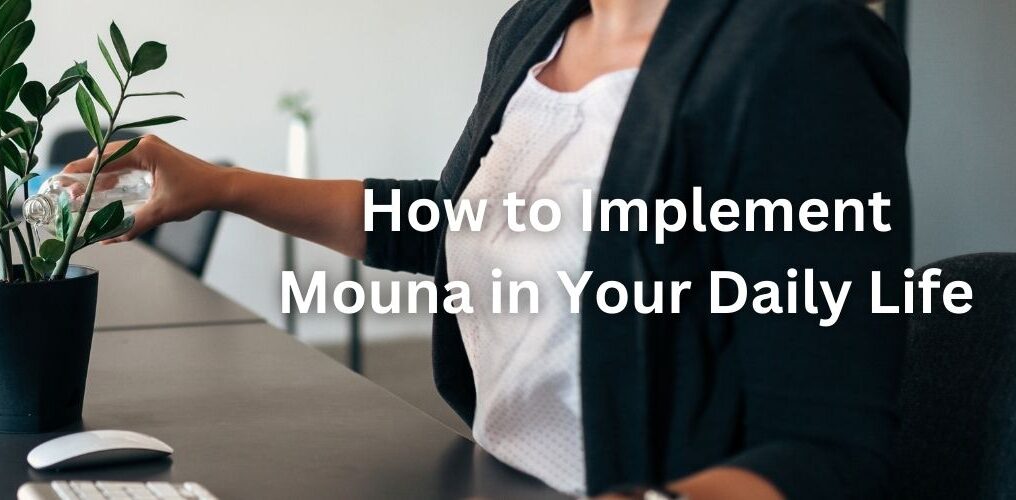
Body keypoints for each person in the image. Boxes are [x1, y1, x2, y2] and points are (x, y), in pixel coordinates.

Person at [64, 0, 910, 497]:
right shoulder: (537, 29)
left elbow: (827, 447)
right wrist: (222, 186)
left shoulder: (800, 52)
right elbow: (463, 222)